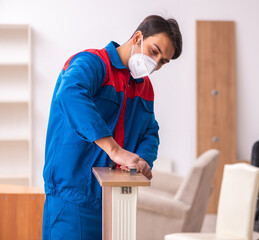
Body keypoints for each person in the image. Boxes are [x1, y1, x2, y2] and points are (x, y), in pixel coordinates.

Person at [42, 15, 182, 239]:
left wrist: (143, 159)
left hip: (113, 199)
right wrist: (115, 151)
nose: (155, 63)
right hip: (71, 195)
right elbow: (70, 94)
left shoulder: (144, 88)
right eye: (154, 51)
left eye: (163, 61)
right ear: (138, 37)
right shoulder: (92, 63)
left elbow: (150, 131)